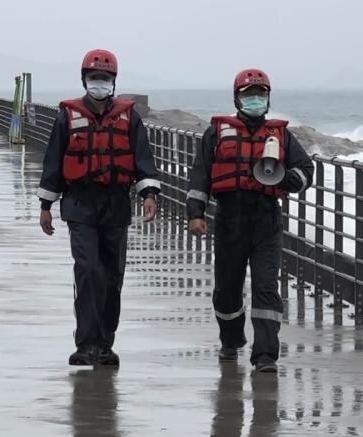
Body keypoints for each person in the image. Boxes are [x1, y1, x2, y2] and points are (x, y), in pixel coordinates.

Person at [37, 49, 161, 366]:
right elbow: (53, 161)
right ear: (85, 80)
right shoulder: (67, 116)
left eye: (105, 79)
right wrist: (45, 205)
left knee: (111, 276)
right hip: (80, 203)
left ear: (113, 82)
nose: (99, 83)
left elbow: (143, 160)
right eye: (94, 78)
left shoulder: (130, 118)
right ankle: (86, 344)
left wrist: (149, 195)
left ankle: (105, 344)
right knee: (88, 269)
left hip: (116, 204)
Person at [186, 68, 314, 373]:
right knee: (227, 290)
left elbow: (305, 168)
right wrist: (195, 214)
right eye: (249, 95)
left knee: (266, 287)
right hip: (230, 220)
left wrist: (292, 180)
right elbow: (200, 175)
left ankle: (266, 355)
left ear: (268, 99)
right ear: (237, 98)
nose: (255, 100)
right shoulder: (217, 134)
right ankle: (230, 339)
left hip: (266, 221)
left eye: (260, 95)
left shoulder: (281, 135)